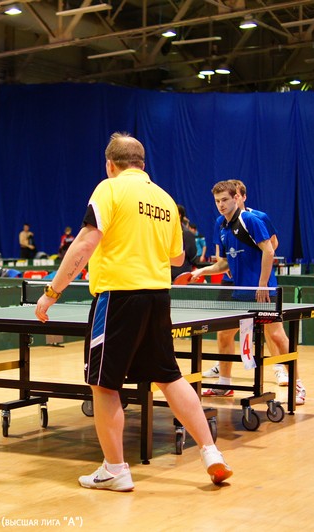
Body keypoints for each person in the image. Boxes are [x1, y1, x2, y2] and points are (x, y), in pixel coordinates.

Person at [35, 132, 232, 491]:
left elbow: (86, 242)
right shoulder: (165, 200)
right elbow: (177, 258)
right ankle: (211, 452)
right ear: (142, 163)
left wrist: (52, 292)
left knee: (103, 384)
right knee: (169, 377)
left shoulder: (109, 189)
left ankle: (115, 469)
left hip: (118, 297)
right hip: (157, 298)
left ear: (110, 164)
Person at [192, 180, 306, 405]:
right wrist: (203, 270)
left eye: (225, 200)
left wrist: (262, 284)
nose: (221, 205)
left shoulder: (251, 220)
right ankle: (224, 384)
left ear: (236, 198)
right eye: (217, 201)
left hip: (263, 292)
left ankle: (297, 384)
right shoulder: (221, 225)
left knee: (277, 336)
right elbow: (225, 263)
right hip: (239, 293)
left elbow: (269, 250)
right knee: (225, 334)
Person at [170, 204, 198, 279]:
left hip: (181, 275)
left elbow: (192, 256)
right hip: (165, 274)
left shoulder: (188, 234)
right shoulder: (165, 231)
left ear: (179, 215)